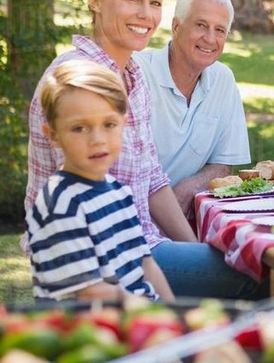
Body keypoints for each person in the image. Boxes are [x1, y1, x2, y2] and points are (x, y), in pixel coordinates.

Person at [24, 0, 264, 300]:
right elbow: (71, 217)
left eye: (154, 2)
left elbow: (152, 179)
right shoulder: (80, 80)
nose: (145, 14)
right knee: (261, 275)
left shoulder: (133, 75)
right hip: (98, 265)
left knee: (245, 261)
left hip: (141, 245)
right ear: (95, 0)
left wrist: (193, 249)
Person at [27, 60, 174, 302]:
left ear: (123, 125)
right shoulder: (61, 205)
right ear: (52, 135)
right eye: (79, 128)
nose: (97, 139)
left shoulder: (118, 191)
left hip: (137, 320)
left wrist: (174, 316)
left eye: (109, 125)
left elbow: (146, 264)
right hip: (92, 330)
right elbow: (92, 295)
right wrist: (154, 316)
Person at [134, 0, 250, 216]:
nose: (210, 38)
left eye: (220, 30)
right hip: (135, 221)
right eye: (201, 25)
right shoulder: (137, 74)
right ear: (176, 26)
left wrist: (190, 187)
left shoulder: (223, 79)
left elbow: (223, 164)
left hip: (185, 221)